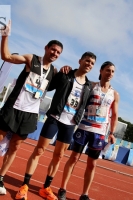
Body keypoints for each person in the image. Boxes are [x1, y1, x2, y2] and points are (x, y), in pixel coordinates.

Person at [15, 52, 97, 200]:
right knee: (39, 150)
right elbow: (49, 86)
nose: (89, 64)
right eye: (87, 61)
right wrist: (59, 71)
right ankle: (25, 185)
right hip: (55, 118)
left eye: (92, 63)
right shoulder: (65, 74)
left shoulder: (89, 86)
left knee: (58, 156)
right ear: (80, 60)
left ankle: (46, 187)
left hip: (70, 123)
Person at [0, 22, 63, 195]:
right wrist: (5, 34)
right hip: (13, 108)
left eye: (58, 52)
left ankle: (0, 178)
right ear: (46, 48)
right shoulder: (31, 59)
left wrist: (67, 70)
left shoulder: (54, 73)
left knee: (15, 147)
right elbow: (6, 56)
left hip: (29, 115)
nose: (55, 53)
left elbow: (66, 83)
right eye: (53, 49)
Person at [57, 61, 119, 200]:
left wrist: (112, 133)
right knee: (73, 158)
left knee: (92, 164)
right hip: (84, 128)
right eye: (108, 70)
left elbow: (114, 115)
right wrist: (66, 69)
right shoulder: (90, 86)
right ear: (101, 71)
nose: (110, 74)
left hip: (99, 133)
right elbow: (76, 82)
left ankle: (84, 194)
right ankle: (63, 188)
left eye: (113, 71)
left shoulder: (114, 94)